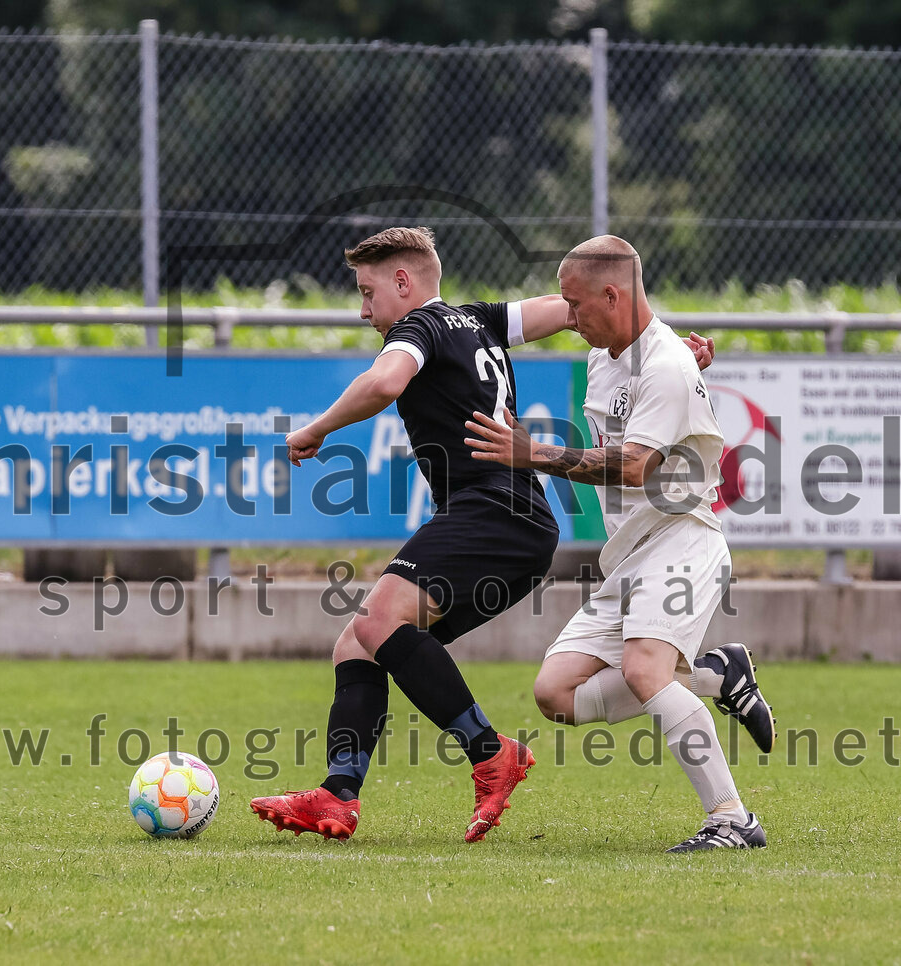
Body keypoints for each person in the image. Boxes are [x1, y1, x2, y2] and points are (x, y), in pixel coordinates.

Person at [250, 227, 716, 844]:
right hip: (517, 523)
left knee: (378, 620)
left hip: (493, 510)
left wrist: (317, 429)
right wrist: (670, 352)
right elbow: (581, 307)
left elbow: (385, 382)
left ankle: (491, 753)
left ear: (403, 282)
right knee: (359, 643)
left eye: (367, 293)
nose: (364, 311)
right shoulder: (478, 319)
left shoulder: (418, 327)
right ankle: (338, 795)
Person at [465, 235, 775, 853]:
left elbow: (634, 466)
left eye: (576, 304)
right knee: (556, 694)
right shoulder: (608, 358)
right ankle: (716, 676)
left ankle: (732, 820)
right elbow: (644, 412)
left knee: (643, 670)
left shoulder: (666, 365)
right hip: (631, 554)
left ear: (612, 295)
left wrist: (536, 454)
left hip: (681, 537)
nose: (569, 317)